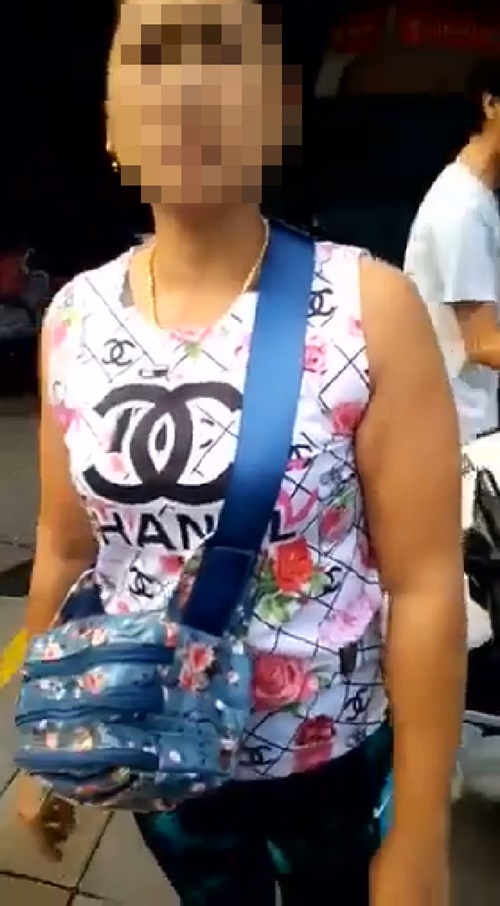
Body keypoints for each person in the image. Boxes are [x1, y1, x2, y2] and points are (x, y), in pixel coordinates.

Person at [17, 0, 465, 903]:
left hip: (325, 754)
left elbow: (424, 584)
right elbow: (66, 548)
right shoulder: (71, 318)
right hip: (155, 747)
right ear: (111, 121)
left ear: (277, 111)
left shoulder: (369, 307)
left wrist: (421, 832)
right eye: (152, 60)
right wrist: (45, 739)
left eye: (223, 60)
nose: (186, 91)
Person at [404, 57, 500, 446]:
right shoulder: (461, 210)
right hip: (456, 434)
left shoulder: (480, 199)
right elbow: (484, 344)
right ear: (491, 104)